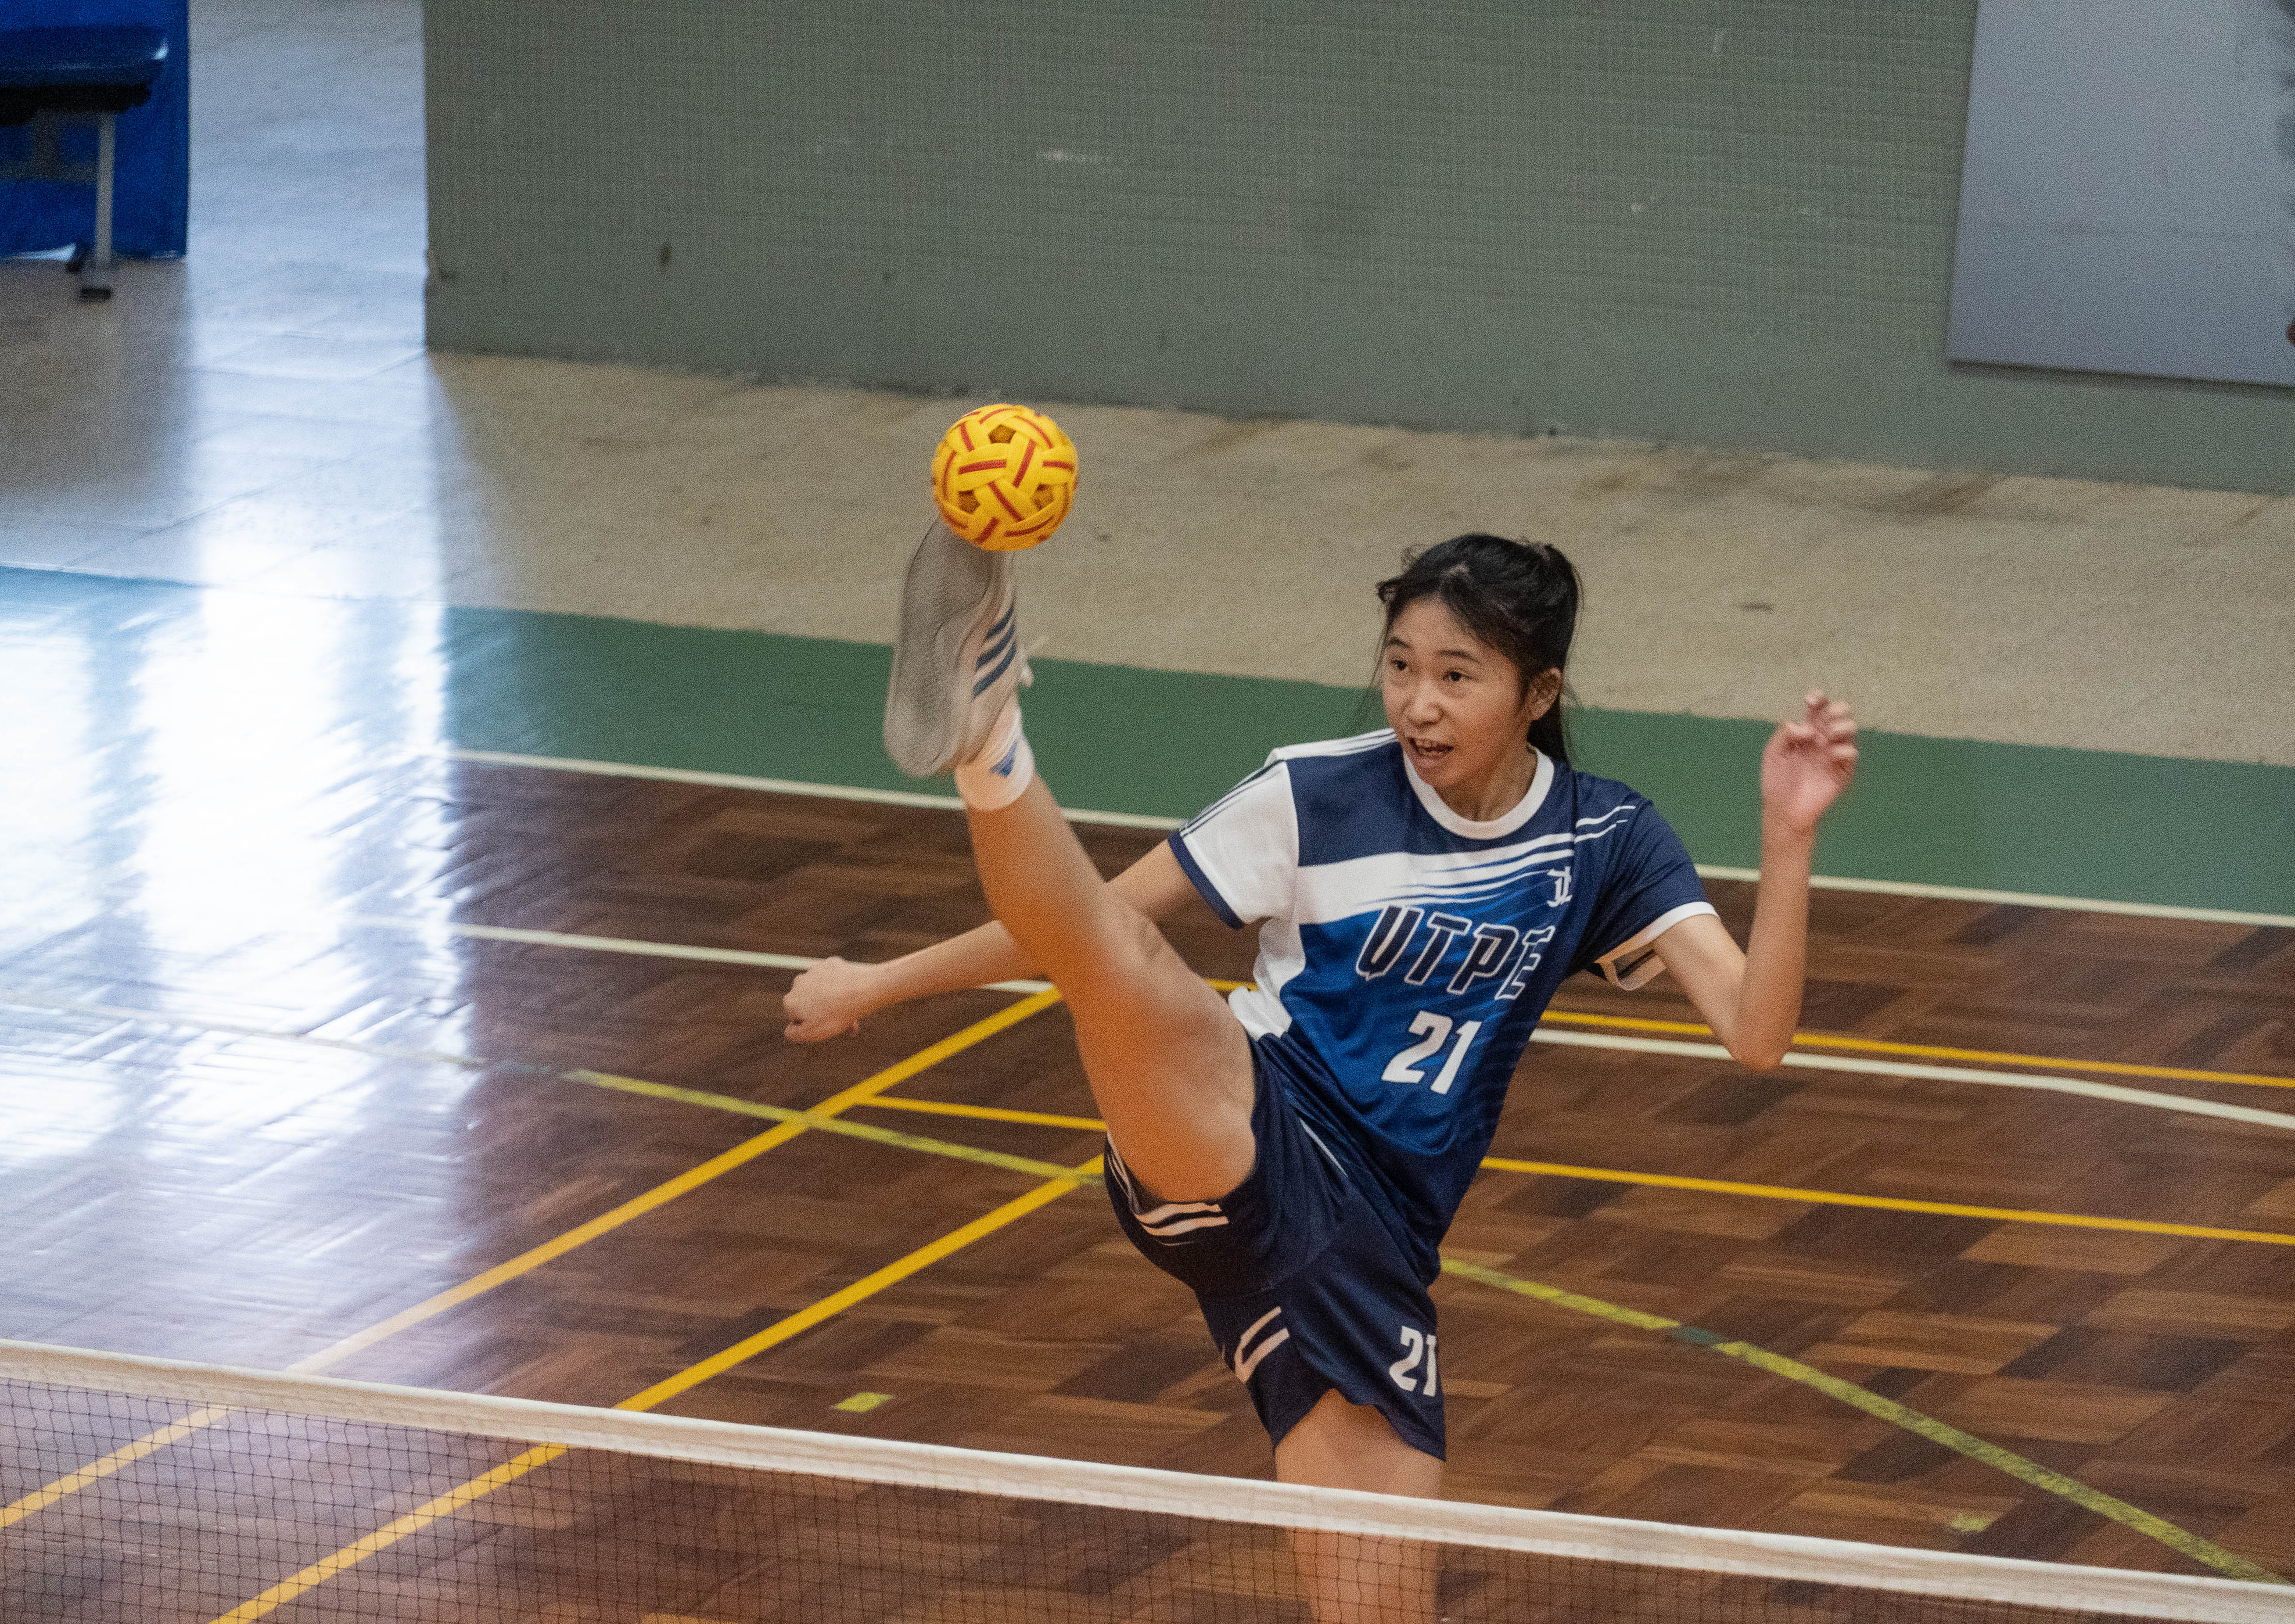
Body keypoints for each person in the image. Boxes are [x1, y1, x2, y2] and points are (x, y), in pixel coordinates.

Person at [785, 526, 1858, 1617]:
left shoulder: (1606, 839)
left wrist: (1787, 836)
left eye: (1455, 675)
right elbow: (1086, 922)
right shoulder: (1316, 793)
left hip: (1374, 1252)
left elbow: (1756, 1032)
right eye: (1399, 665)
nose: (1417, 703)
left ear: (1538, 694)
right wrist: (879, 981)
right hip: (1257, 1128)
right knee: (1127, 962)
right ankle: (991, 732)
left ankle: (992, 736)